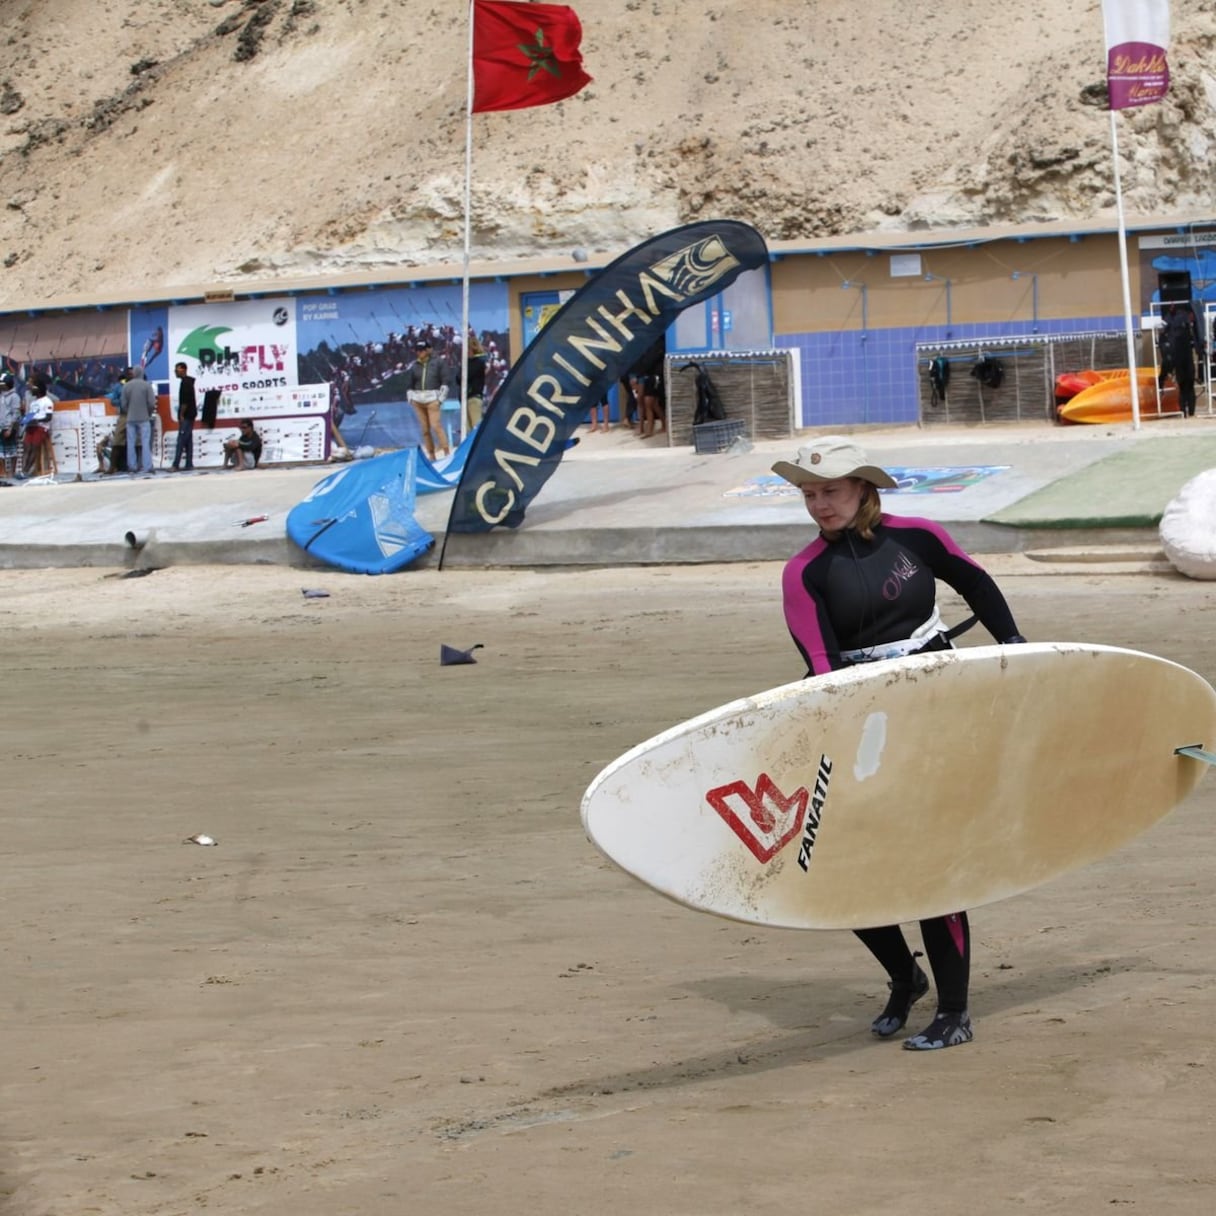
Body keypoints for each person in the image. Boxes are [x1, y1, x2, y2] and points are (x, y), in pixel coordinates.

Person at [771, 435, 1027, 1051]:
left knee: (931, 859)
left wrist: (1018, 659)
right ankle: (904, 976)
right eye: (809, 494)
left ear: (863, 487)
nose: (819, 504)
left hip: (937, 698)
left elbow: (981, 587)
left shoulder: (917, 537)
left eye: (830, 491)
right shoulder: (804, 572)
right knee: (834, 862)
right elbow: (822, 663)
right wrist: (849, 724)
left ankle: (955, 1010)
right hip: (860, 711)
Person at [405, 338, 450, 461]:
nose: (418, 353)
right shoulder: (414, 366)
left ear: (426, 350)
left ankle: (447, 452)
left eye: (421, 350)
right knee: (425, 429)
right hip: (418, 400)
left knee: (436, 425)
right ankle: (431, 454)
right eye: (417, 351)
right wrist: (410, 397)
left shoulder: (438, 362)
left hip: (432, 399)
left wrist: (440, 398)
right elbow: (410, 383)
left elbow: (445, 380)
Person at [1161, 303, 1204, 417]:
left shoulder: (1179, 320)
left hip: (1182, 357)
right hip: (1182, 357)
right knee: (1186, 385)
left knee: (1186, 385)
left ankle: (1187, 411)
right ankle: (1187, 412)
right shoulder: (1176, 320)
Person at [121, 366, 158, 476]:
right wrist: (148, 413)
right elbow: (152, 403)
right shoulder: (147, 385)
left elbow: (123, 404)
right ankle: (147, 467)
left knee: (131, 443)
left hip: (130, 418)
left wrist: (129, 412)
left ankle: (132, 466)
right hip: (144, 418)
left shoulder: (126, 386)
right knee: (145, 442)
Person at [21, 373, 55, 477]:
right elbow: (31, 415)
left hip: (41, 427)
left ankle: (26, 471)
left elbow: (48, 417)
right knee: (26, 447)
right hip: (31, 427)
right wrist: (26, 420)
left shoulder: (47, 401)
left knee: (33, 447)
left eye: (33, 388)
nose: (30, 390)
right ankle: (22, 471)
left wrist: (37, 420)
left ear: (38, 389)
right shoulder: (33, 403)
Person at [170, 361, 197, 470]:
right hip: (190, 414)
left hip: (186, 415)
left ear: (183, 369)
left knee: (181, 439)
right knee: (188, 439)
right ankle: (189, 463)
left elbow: (184, 401)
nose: (175, 372)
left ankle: (175, 464)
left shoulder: (186, 383)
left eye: (177, 370)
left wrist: (181, 414)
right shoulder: (188, 382)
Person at [0, 372, 22, 479]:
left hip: (10, 426)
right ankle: (4, 471)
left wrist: (10, 428)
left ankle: (12, 472)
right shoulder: (0, 396)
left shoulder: (14, 396)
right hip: (0, 426)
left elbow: (16, 413)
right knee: (1, 451)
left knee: (12, 450)